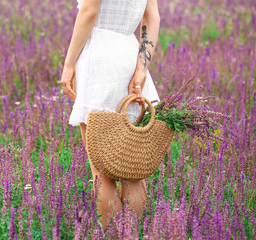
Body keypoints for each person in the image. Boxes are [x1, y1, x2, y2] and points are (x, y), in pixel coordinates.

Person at [59, 0, 161, 229]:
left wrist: (68, 64)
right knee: (133, 171)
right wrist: (141, 69)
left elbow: (89, 12)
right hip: (130, 57)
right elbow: (152, 17)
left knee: (102, 173)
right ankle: (133, 234)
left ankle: (113, 235)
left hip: (100, 62)